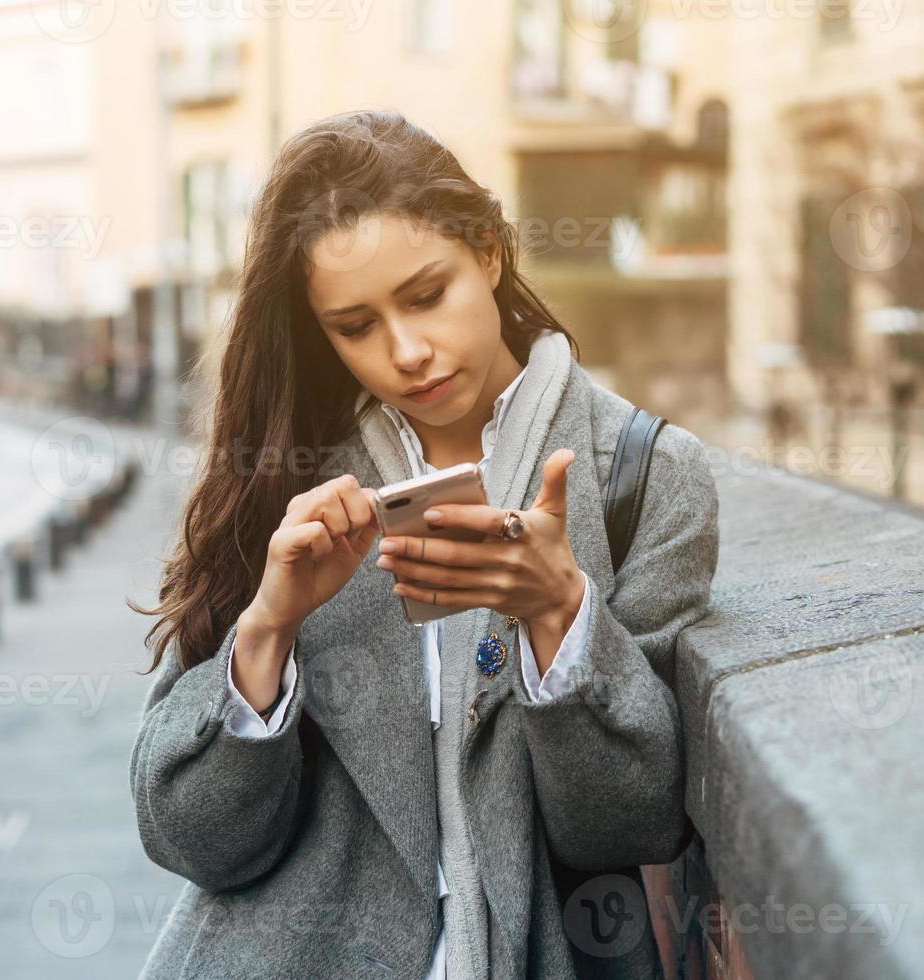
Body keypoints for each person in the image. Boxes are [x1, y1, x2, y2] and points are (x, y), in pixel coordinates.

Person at [128, 109, 719, 979]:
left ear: (487, 248)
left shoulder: (644, 476)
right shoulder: (287, 480)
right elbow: (191, 840)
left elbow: (629, 828)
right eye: (355, 326)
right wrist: (268, 628)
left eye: (424, 294)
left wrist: (560, 615)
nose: (406, 352)